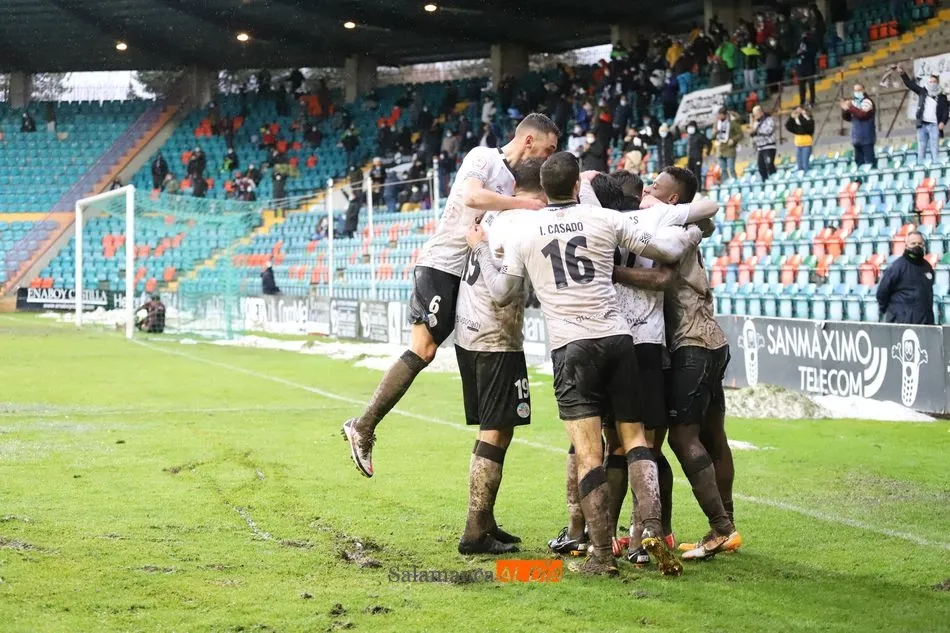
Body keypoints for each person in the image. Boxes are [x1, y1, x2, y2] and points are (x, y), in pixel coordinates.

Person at [470, 152, 709, 576]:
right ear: (578, 187)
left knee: (589, 453)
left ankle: (600, 555)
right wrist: (692, 229)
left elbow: (505, 292)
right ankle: (650, 528)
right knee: (635, 440)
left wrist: (483, 249)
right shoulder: (605, 221)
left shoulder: (526, 230)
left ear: (545, 191)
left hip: (572, 348)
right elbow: (664, 247)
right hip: (617, 340)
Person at [342, 113, 560, 479]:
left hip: (467, 277)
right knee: (423, 349)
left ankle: (482, 517)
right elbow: (473, 195)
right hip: (442, 263)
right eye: (548, 148)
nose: (549, 155)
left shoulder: (513, 183)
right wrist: (525, 205)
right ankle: (363, 426)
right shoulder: (483, 157)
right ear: (528, 141)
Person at [612, 177, 741, 560]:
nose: (646, 191)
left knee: (678, 439)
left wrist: (609, 270)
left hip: (691, 344)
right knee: (713, 437)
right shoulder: (685, 227)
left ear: (671, 199)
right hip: (710, 341)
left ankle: (720, 528)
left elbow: (662, 277)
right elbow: (706, 221)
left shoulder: (671, 232)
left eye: (653, 187)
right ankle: (719, 525)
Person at [453, 157, 547, 555]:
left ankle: (485, 520)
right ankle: (475, 530)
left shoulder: (495, 216)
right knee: (494, 429)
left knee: (498, 428)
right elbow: (503, 290)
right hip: (494, 336)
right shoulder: (520, 221)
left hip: (471, 331)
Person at [876, 231, 935, 325]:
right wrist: (892, 312)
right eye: (913, 243)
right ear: (906, 245)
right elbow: (882, 292)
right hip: (902, 323)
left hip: (925, 323)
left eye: (919, 243)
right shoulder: (897, 267)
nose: (917, 246)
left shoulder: (927, 267)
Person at [897, 65, 948, 164]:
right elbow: (910, 84)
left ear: (937, 83)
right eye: (931, 81)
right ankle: (920, 168)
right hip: (922, 125)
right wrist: (903, 74)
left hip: (934, 125)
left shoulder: (942, 96)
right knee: (921, 148)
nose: (932, 83)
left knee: (934, 148)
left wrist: (943, 122)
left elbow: (946, 111)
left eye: (934, 82)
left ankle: (935, 167)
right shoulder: (923, 92)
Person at [841, 83, 877, 167]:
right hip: (856, 138)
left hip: (867, 138)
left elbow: (862, 115)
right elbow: (848, 118)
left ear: (863, 90)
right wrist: (844, 109)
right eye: (855, 90)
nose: (857, 92)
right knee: (859, 163)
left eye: (859, 90)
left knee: (870, 163)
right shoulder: (854, 102)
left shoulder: (867, 101)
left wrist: (850, 107)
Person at [715, 107, 743, 181]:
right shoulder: (716, 123)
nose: (720, 117)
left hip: (730, 149)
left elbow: (740, 134)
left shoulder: (732, 123)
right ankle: (726, 185)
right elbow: (713, 135)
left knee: (731, 169)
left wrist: (733, 139)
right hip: (720, 150)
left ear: (725, 115)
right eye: (719, 115)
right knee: (723, 170)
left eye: (721, 115)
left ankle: (735, 184)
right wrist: (715, 132)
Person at [750, 106, 777, 181]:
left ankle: (774, 180)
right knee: (761, 167)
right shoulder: (755, 123)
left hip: (769, 146)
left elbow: (768, 131)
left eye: (756, 114)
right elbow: (754, 135)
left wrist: (757, 131)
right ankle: (765, 181)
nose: (755, 116)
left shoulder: (769, 120)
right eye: (754, 114)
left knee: (769, 165)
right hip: (760, 148)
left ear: (761, 112)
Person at [785, 106, 815, 172]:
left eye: (800, 110)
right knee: (799, 165)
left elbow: (805, 128)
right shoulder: (796, 120)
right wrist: (791, 118)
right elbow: (788, 126)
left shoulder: (809, 120)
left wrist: (803, 115)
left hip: (806, 144)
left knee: (805, 164)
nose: (798, 112)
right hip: (798, 145)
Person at [685, 121, 712, 186]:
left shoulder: (700, 135)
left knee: (697, 174)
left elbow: (709, 143)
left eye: (691, 127)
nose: (690, 128)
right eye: (689, 127)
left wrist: (708, 152)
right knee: (690, 174)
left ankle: (698, 190)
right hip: (690, 158)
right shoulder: (689, 136)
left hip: (697, 158)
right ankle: (691, 190)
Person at [796, 32, 818, 107]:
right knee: (801, 87)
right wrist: (799, 52)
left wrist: (804, 52)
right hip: (801, 69)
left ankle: (812, 101)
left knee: (811, 86)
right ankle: (802, 102)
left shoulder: (812, 45)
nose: (804, 40)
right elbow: (796, 54)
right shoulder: (799, 45)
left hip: (810, 68)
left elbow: (813, 54)